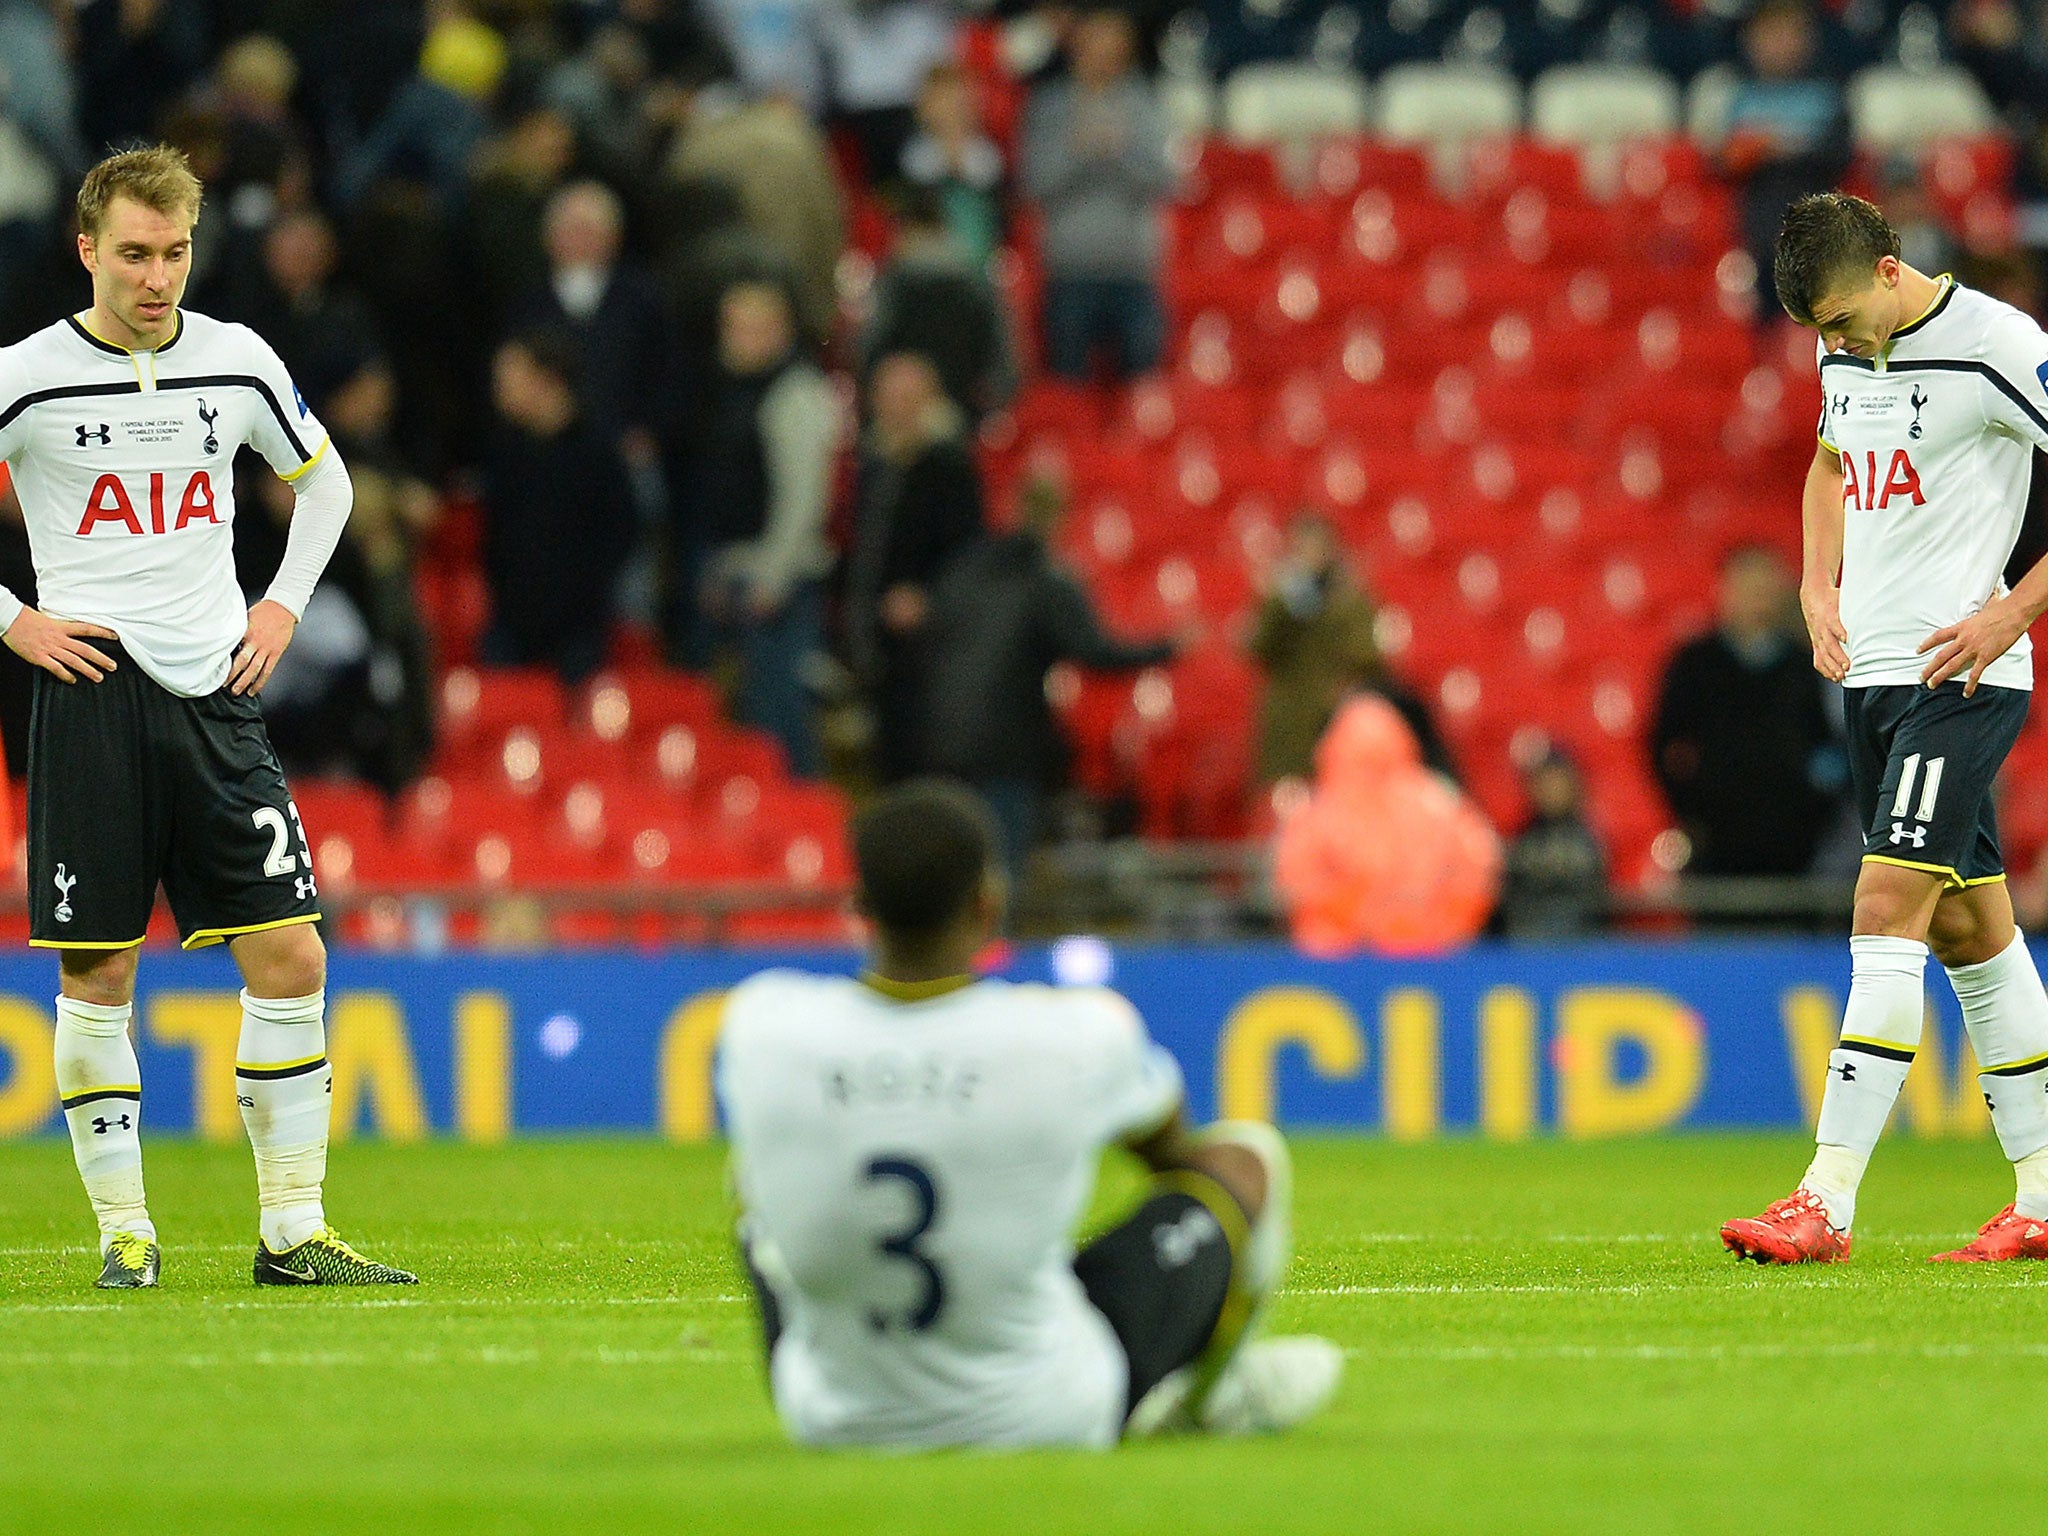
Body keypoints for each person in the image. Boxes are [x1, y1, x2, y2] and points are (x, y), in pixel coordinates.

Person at [0, 145, 414, 1287]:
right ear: (88, 250)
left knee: (291, 956)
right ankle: (125, 1234)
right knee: (100, 975)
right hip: (90, 696)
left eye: (174, 252)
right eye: (133, 254)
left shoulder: (235, 361)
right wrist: (15, 620)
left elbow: (323, 481)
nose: (155, 277)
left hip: (217, 693)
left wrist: (281, 604)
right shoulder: (28, 375)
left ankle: (293, 1231)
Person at [716, 778, 1341, 1448]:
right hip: (1045, 1413)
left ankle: (861, 1362)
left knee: (754, 1184)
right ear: (989, 902)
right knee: (1245, 1158)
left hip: (829, 1415)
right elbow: (1169, 1150)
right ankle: (1214, 1401)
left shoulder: (764, 1024)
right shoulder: (1069, 1035)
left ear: (859, 903)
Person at [1721, 193, 2048, 1266]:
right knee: (1967, 930)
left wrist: (2008, 611)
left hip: (1960, 675)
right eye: (1817, 330)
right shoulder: (1840, 358)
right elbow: (1825, 466)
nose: (1833, 344)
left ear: (1893, 270)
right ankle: (2042, 1196)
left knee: (1884, 904)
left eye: (1841, 319)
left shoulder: (1999, 347)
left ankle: (1824, 1200)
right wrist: (1819, 585)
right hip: (1869, 678)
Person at [919, 476, 1178, 882]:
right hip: (1007, 742)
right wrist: (1168, 649)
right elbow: (1096, 652)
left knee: (956, 865)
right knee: (1000, 869)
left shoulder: (964, 571)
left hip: (944, 736)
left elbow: (931, 633)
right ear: (1059, 520)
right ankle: (993, 942)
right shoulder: (1045, 579)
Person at [693, 279, 836, 777]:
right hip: (731, 564)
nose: (742, 338)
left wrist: (772, 576)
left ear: (783, 331)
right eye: (735, 327)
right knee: (740, 717)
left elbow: (803, 499)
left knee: (779, 714)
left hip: (778, 578)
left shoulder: (795, 392)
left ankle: (799, 823)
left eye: (757, 327)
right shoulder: (724, 386)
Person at [1651, 544, 1845, 879]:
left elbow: (1828, 746)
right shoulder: (1695, 663)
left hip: (1793, 848)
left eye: (1766, 590)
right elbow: (1661, 743)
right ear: (1726, 591)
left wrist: (1813, 809)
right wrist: (1689, 811)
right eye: (1749, 589)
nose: (1758, 600)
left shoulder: (1805, 663)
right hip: (1715, 844)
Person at [845, 351, 986, 783]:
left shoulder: (950, 468)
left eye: (907, 397)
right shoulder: (875, 464)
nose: (895, 408)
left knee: (918, 754)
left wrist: (928, 597)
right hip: (877, 634)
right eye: (887, 397)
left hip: (930, 646)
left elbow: (968, 553)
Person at [1020, 8, 1174, 383]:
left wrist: (1118, 150)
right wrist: (1080, 152)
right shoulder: (1050, 105)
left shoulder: (1143, 102)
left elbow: (1165, 179)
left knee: (1144, 392)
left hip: (1135, 273)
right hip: (1070, 272)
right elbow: (1034, 184)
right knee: (1068, 390)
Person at [480, 328, 637, 685]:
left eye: (510, 377)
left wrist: (585, 590)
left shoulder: (597, 452)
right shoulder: (505, 449)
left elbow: (621, 530)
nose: (499, 389)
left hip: (578, 629)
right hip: (510, 624)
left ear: (548, 380)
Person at [856, 184, 1017, 425]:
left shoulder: (894, 282)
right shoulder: (976, 284)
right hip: (963, 413)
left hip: (900, 414)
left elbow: (867, 348)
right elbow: (1004, 364)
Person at [1496, 747, 1608, 940]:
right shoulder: (1521, 841)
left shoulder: (1590, 842)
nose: (1550, 790)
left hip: (1581, 945)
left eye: (1557, 782)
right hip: (1525, 946)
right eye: (1543, 782)